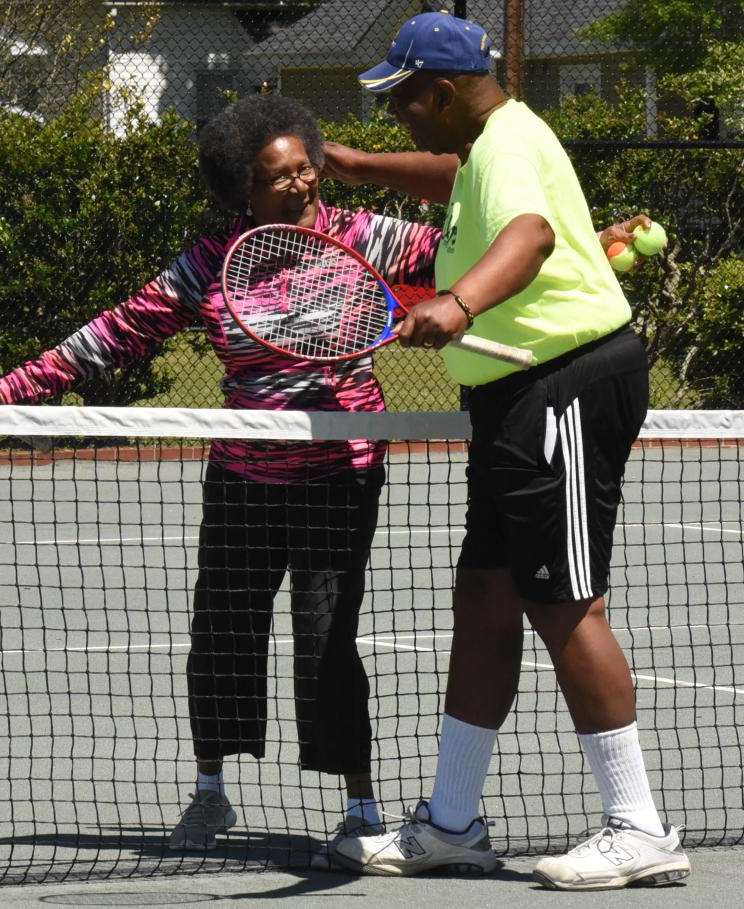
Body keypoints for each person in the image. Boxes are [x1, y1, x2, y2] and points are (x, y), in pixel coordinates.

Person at [0, 92, 452, 856]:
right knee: (222, 633)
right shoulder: (211, 262)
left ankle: (361, 806)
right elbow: (115, 332)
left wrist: (585, 242)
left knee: (327, 639)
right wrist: (11, 388)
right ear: (242, 191)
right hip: (242, 475)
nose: (301, 182)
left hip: (341, 473)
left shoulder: (366, 237)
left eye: (306, 166)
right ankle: (210, 792)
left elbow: (472, 253)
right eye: (278, 175)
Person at [327, 9, 692, 890]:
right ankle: (451, 824)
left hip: (559, 385)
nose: (395, 118)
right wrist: (351, 167)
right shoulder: (486, 142)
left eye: (402, 103)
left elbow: (525, 237)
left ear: (444, 93)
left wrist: (455, 304)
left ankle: (637, 825)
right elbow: (451, 177)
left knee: (566, 603)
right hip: (515, 398)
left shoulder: (511, 148)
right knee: (486, 597)